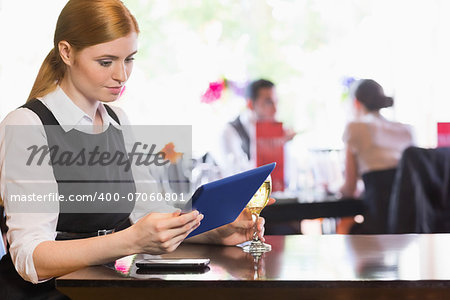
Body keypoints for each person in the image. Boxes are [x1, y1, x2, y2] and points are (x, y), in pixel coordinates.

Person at [0, 1, 270, 298]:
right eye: (106, 62)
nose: (122, 75)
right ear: (66, 52)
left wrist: (217, 231)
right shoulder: (28, 125)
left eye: (129, 59)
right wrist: (129, 241)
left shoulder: (117, 121)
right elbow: (30, 260)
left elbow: (150, 214)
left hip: (103, 286)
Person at [339, 79, 414, 233]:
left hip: (378, 224)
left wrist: (333, 189)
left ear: (356, 103)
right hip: (412, 223)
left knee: (345, 226)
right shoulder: (407, 130)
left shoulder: (355, 127)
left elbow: (349, 189)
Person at [217, 79, 295, 176]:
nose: (275, 109)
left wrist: (282, 145)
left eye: (276, 102)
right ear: (250, 104)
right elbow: (236, 175)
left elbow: (289, 176)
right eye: (268, 102)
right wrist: (271, 146)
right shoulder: (230, 131)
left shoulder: (278, 130)